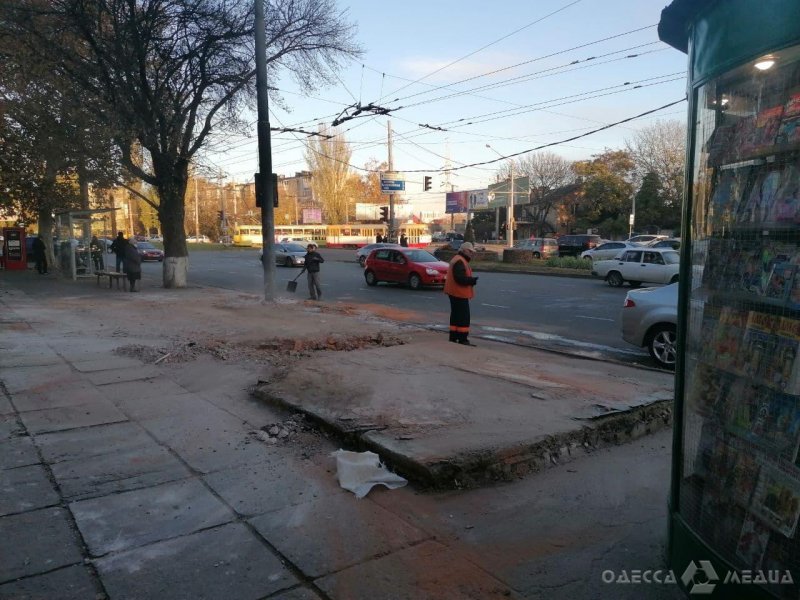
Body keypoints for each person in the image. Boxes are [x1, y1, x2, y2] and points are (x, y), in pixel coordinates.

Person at [444, 241, 479, 345]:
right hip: (459, 293)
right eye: (470, 251)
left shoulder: (457, 259)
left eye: (472, 251)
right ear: (464, 250)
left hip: (454, 292)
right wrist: (471, 280)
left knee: (455, 316)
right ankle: (463, 339)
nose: (471, 253)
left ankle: (454, 337)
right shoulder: (460, 261)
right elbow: (460, 279)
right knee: (463, 317)